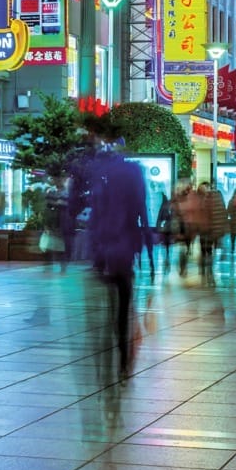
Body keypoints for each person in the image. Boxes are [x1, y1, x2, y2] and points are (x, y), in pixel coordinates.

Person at [86, 149, 148, 382]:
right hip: (122, 257)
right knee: (122, 310)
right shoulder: (131, 183)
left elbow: (94, 222)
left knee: (113, 311)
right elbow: (143, 214)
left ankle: (116, 358)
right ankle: (122, 359)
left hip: (107, 255)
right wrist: (148, 256)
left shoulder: (103, 188)